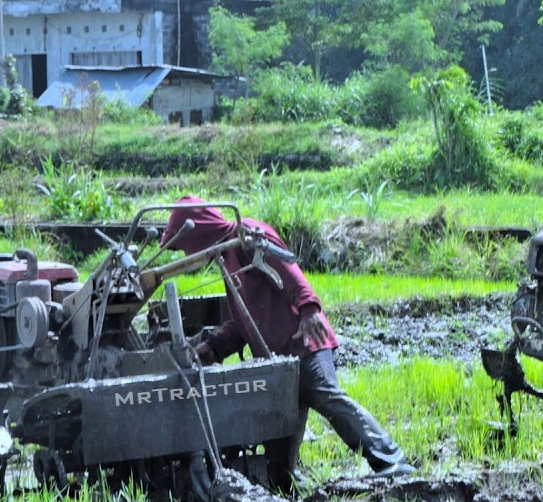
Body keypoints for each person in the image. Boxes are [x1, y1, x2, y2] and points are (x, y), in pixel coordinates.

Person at [162, 196, 416, 480]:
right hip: (278, 359)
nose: (187, 255)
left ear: (198, 233)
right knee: (279, 426)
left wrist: (309, 309)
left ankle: (393, 461)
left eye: (186, 247)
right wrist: (214, 347)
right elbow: (244, 320)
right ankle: (284, 482)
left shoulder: (246, 237)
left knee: (327, 397)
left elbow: (290, 271)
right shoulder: (227, 258)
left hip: (303, 339)